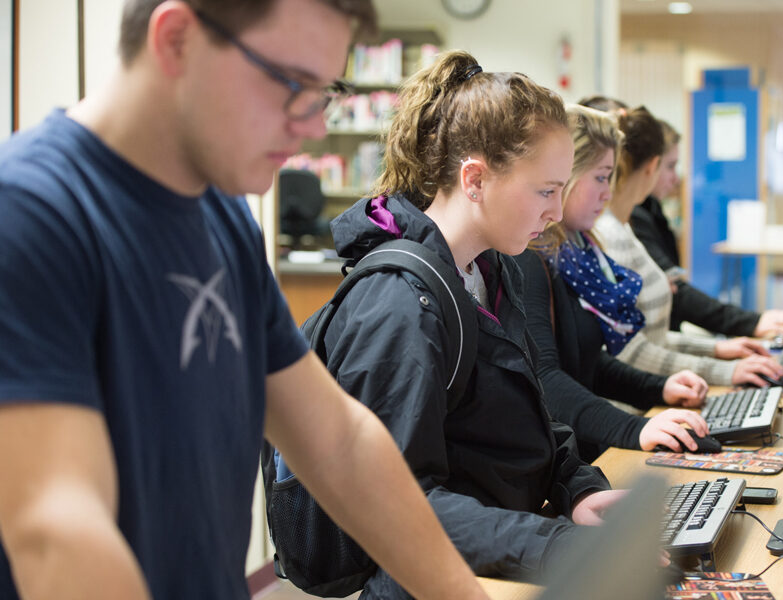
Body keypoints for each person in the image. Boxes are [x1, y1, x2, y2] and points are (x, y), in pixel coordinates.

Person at [0, 2, 490, 599]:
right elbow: (56, 529)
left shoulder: (223, 217)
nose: (312, 125)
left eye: (325, 91)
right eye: (291, 85)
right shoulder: (29, 215)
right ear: (177, 40)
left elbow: (338, 441)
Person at [294, 50, 627, 598]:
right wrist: (555, 546)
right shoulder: (398, 305)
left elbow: (529, 422)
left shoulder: (490, 270)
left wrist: (579, 487)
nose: (554, 210)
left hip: (495, 569)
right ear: (475, 179)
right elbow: (396, 507)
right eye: (545, 190)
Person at [516, 104, 711, 460]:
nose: (608, 193)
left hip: (582, 453)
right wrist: (634, 429)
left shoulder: (579, 247)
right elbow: (545, 377)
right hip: (562, 462)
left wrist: (660, 388)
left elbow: (589, 361)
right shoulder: (531, 256)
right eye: (602, 177)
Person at [590, 106, 783, 388]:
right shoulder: (609, 236)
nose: (674, 177)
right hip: (642, 398)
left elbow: (648, 336)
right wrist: (721, 369)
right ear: (651, 167)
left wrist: (716, 350)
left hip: (656, 387)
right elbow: (629, 350)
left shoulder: (624, 228)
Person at [629, 119, 783, 338]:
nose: (675, 178)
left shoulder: (650, 210)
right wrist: (750, 325)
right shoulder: (634, 218)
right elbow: (677, 295)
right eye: (670, 166)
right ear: (648, 166)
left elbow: (674, 289)